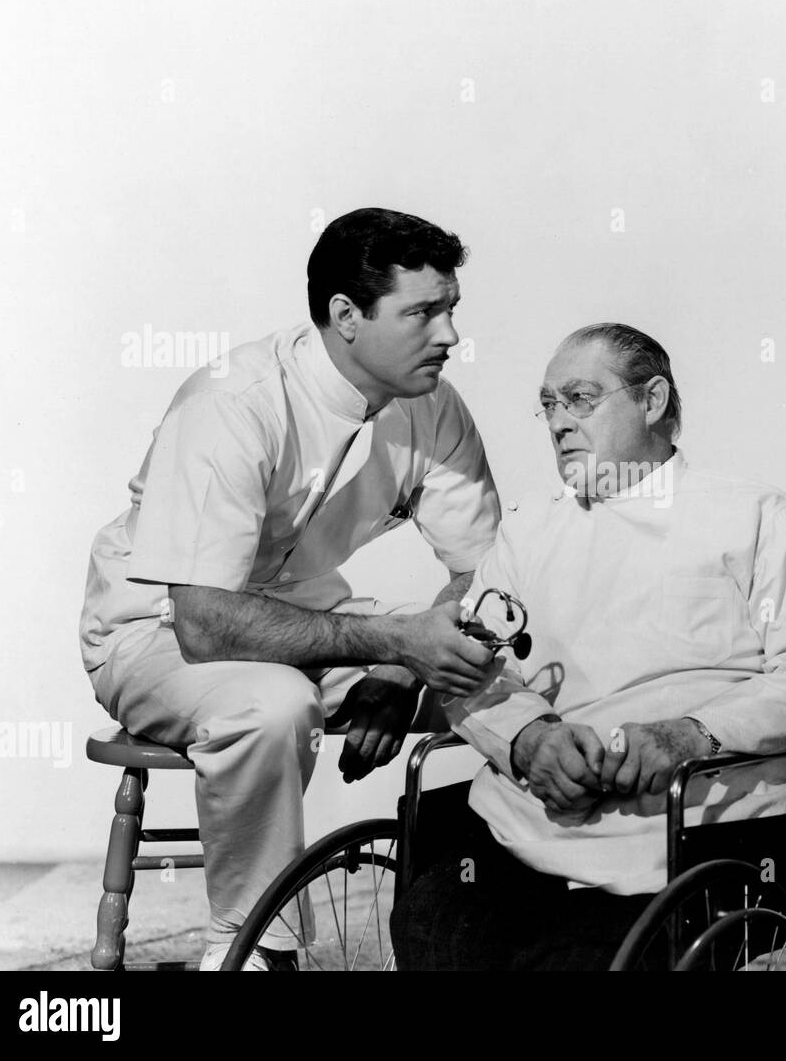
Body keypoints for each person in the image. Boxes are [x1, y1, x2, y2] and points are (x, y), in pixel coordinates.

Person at [79, 208, 500, 969]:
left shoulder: (434, 405)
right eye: (423, 313)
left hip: (307, 617)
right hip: (156, 628)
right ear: (346, 316)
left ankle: (499, 924)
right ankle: (249, 949)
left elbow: (485, 573)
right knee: (273, 702)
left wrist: (402, 667)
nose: (449, 336)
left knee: (515, 679)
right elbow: (204, 624)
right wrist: (393, 639)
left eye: (451, 310)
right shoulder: (232, 402)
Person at [390, 322, 786, 971]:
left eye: (580, 398)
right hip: (524, 827)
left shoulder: (753, 515)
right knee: (429, 918)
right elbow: (471, 671)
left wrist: (691, 733)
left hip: (697, 837)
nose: (558, 422)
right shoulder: (529, 530)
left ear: (652, 401)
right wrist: (530, 740)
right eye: (549, 404)